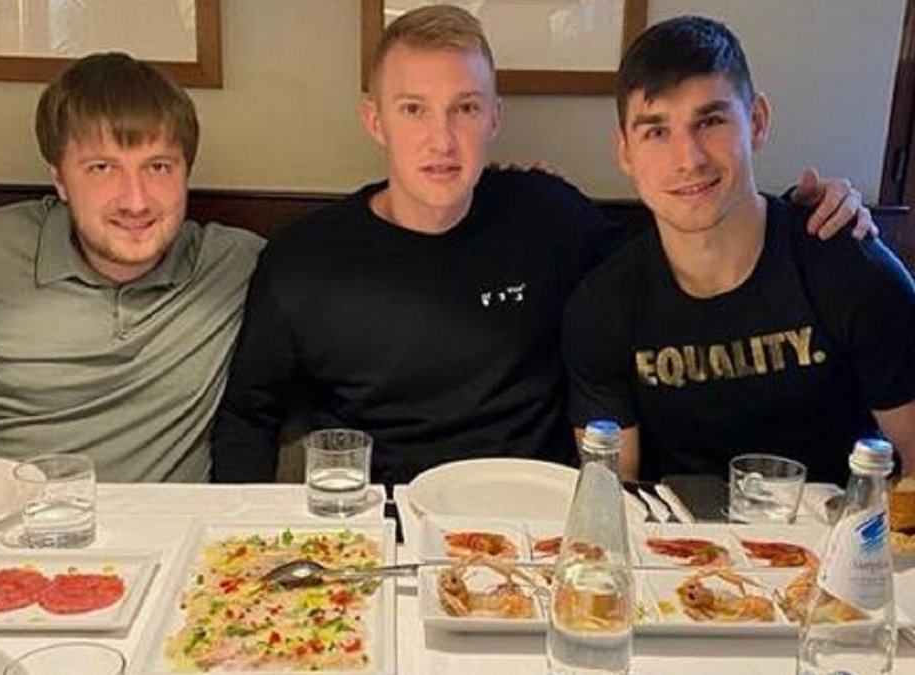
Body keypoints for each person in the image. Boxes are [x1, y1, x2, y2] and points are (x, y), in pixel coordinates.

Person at [210, 5, 871, 486]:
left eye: (466, 108)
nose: (442, 140)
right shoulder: (304, 260)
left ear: (495, 117)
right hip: (383, 526)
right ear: (374, 121)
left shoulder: (550, 217)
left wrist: (801, 212)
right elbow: (247, 418)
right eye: (413, 109)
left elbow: (683, 243)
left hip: (538, 524)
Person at [563, 16, 915, 485]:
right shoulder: (603, 305)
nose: (689, 159)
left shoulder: (852, 268)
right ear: (625, 152)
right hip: (670, 529)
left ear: (756, 122)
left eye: (710, 121)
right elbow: (609, 493)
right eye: (656, 131)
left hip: (842, 525)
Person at [0, 53, 264, 482]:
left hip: (163, 525)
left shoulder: (236, 264)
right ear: (60, 179)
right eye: (102, 168)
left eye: (158, 167)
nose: (135, 202)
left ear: (186, 173)